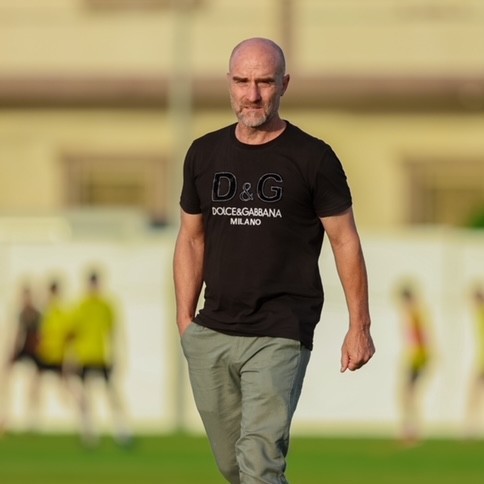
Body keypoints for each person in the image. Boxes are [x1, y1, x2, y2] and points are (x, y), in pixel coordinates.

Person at [173, 37, 375, 483]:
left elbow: (345, 241)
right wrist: (185, 321)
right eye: (242, 81)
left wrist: (359, 326)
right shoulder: (203, 153)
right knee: (234, 465)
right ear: (229, 83)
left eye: (264, 82)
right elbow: (190, 238)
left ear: (284, 84)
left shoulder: (313, 158)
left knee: (259, 460)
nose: (252, 94)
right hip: (212, 330)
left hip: (280, 330)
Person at [67, 270, 132, 447]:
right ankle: (89, 433)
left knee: (112, 395)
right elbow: (73, 334)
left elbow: (114, 332)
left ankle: (122, 432)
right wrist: (71, 358)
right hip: (84, 357)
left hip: (102, 356)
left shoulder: (106, 306)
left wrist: (118, 354)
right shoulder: (81, 306)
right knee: (85, 396)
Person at [0, 284, 42, 433]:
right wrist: (12, 354)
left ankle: (32, 420)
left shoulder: (37, 314)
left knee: (34, 386)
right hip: (22, 351)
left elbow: (40, 336)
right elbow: (17, 335)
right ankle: (5, 417)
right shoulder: (20, 314)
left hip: (34, 353)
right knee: (6, 380)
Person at [396, 282, 433, 445]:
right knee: (408, 396)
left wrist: (417, 360)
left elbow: (420, 339)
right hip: (417, 359)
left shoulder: (414, 313)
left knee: (408, 396)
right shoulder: (417, 312)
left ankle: (411, 432)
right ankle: (411, 431)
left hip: (417, 360)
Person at [464, 282, 484, 439]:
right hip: (480, 362)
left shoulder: (481, 314)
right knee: (474, 395)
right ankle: (472, 428)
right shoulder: (478, 315)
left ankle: (471, 429)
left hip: (482, 364)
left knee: (474, 395)